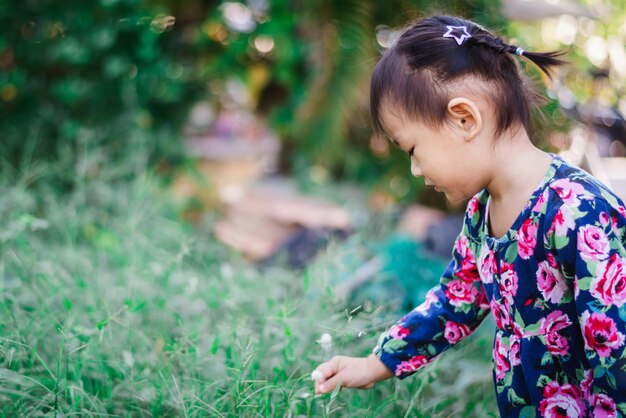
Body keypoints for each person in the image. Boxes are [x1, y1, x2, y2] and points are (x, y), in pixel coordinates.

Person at [313, 14, 626, 417]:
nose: (415, 170)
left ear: (464, 119)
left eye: (412, 149)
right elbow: (455, 301)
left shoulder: (579, 213)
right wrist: (377, 364)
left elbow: (616, 351)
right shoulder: (482, 212)